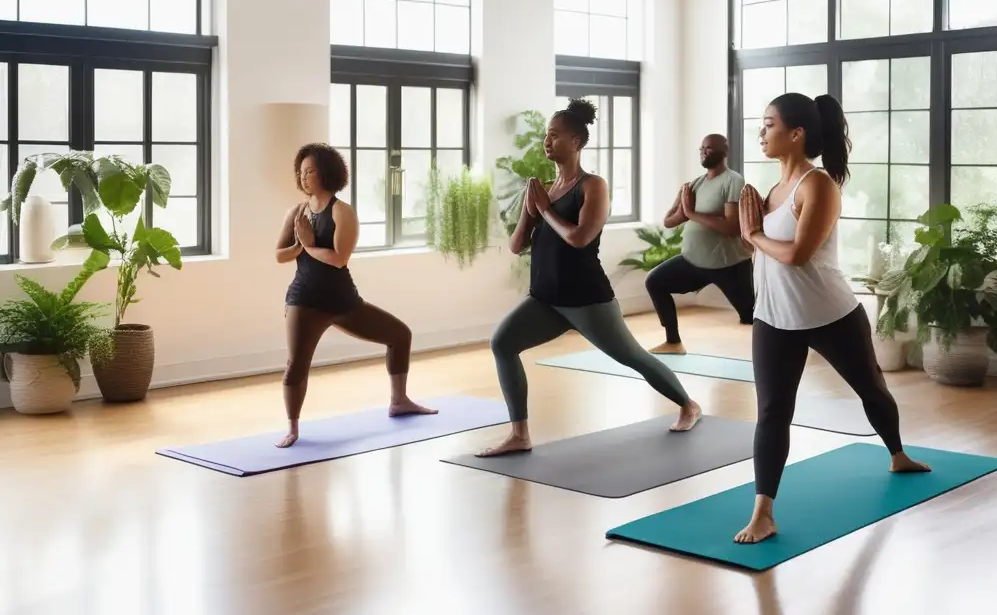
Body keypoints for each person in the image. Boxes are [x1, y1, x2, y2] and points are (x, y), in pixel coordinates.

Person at [733, 92, 930, 544]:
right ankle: (763, 512)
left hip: (829, 313)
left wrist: (754, 233)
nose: (761, 132)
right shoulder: (775, 190)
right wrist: (747, 234)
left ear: (796, 133)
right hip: (774, 316)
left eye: (768, 124)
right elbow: (763, 250)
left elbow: (798, 256)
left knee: (871, 388)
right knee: (772, 413)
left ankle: (897, 454)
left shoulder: (818, 185)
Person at [476, 99, 703, 457]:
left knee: (633, 358)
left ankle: (689, 405)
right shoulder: (545, 189)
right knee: (502, 343)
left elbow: (580, 238)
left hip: (587, 299)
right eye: (546, 136)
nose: (547, 142)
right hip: (545, 298)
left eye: (555, 135)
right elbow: (517, 246)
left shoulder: (593, 186)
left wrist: (545, 209)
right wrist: (529, 209)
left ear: (577, 142)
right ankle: (520, 434)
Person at [273, 143, 436, 448]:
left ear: (327, 173)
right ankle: (292, 428)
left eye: (310, 170)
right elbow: (280, 255)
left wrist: (308, 246)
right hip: (304, 300)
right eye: (301, 171)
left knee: (400, 335)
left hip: (343, 301)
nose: (304, 176)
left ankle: (399, 401)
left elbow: (339, 258)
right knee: (296, 362)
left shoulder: (341, 211)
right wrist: (300, 245)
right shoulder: (296, 212)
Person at [645, 134, 754, 354]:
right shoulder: (694, 183)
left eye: (710, 149)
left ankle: (795, 343)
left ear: (724, 152)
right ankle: (673, 342)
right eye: (702, 149)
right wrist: (685, 212)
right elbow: (669, 221)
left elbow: (731, 227)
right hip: (694, 261)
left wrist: (692, 213)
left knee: (750, 316)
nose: (704, 152)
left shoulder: (733, 180)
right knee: (655, 281)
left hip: (729, 264)